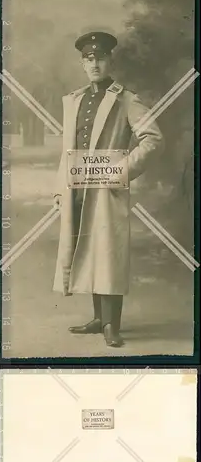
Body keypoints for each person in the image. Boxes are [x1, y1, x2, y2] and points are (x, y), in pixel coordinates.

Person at [53, 31, 164, 348]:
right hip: (77, 187)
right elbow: (67, 149)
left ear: (110, 60)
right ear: (82, 64)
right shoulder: (74, 101)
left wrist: (121, 170)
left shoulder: (126, 99)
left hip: (107, 190)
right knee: (86, 249)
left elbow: (153, 139)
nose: (95, 64)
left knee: (108, 252)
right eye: (89, 59)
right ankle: (99, 318)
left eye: (100, 57)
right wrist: (61, 189)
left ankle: (112, 325)